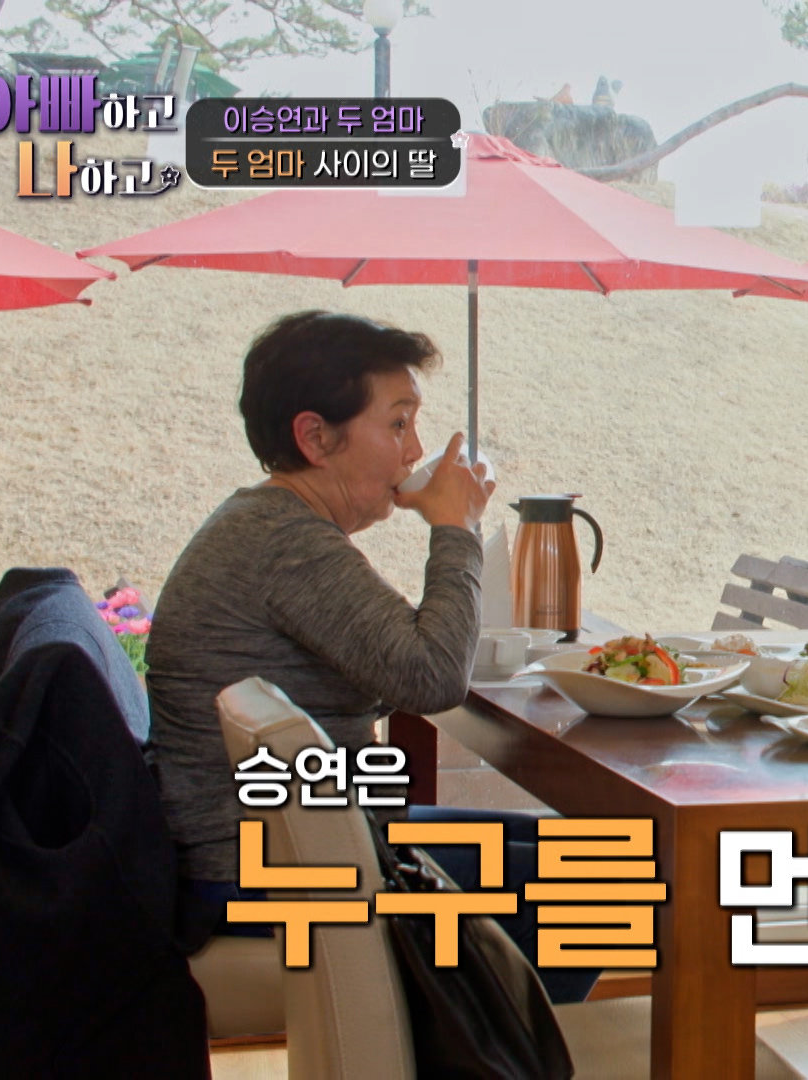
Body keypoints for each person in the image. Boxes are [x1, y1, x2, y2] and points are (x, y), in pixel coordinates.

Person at [146, 310, 597, 1003]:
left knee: (576, 861)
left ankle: (491, 1037)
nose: (415, 451)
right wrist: (456, 525)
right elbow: (432, 676)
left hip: (291, 847)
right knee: (591, 893)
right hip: (265, 873)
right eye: (397, 423)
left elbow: (396, 661)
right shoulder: (284, 544)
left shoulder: (274, 527)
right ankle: (481, 1041)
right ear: (315, 437)